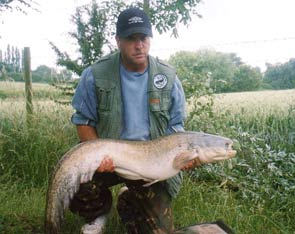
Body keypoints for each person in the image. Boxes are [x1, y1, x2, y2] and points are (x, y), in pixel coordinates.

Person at [69, 7, 200, 234]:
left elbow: (176, 129)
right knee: (74, 177)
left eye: (143, 38)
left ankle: (129, 198)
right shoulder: (95, 74)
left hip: (150, 164)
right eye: (131, 39)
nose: (139, 45)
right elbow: (83, 121)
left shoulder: (168, 78)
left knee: (158, 232)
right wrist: (99, 154)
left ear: (150, 39)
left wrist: (184, 158)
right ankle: (96, 215)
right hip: (109, 156)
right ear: (118, 40)